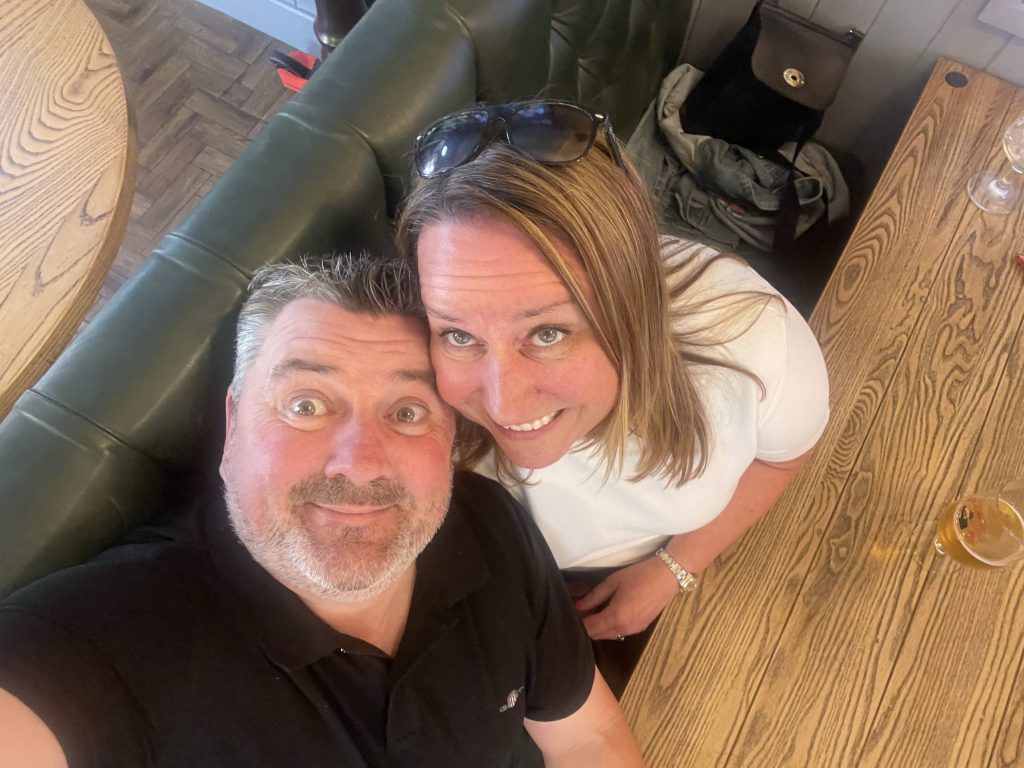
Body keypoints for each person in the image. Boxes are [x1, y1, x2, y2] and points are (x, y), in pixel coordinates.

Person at [0, 254, 644, 767]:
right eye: (305, 405)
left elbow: (587, 739)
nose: (359, 463)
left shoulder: (489, 525)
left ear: (452, 439)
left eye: (407, 412)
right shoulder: (98, 644)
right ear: (233, 425)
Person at [396, 100, 830, 695]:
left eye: (549, 333)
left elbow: (782, 457)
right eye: (459, 335)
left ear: (636, 302)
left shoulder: (750, 341)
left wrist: (673, 569)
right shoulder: (407, 395)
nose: (504, 405)